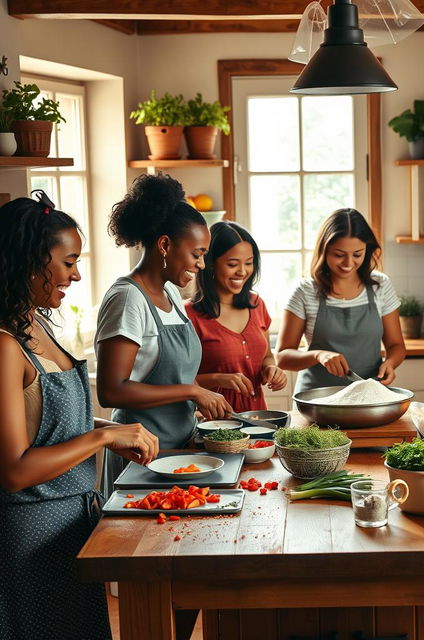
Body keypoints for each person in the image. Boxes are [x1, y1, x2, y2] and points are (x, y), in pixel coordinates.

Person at [0, 193, 158, 640]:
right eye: (69, 262)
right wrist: (104, 439)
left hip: (71, 524)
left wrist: (115, 431)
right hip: (29, 530)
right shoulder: (4, 345)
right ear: (31, 259)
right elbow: (14, 471)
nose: (77, 273)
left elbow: (47, 425)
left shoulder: (36, 325)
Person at [95, 173, 232, 495]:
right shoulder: (127, 298)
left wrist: (205, 394)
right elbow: (111, 391)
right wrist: (192, 392)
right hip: (142, 456)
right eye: (196, 254)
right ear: (165, 245)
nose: (201, 265)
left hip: (179, 450)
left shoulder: (171, 295)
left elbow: (172, 377)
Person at [276, 208, 406, 392]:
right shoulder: (305, 291)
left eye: (357, 254)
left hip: (368, 399)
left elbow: (396, 345)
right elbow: (282, 357)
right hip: (316, 400)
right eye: (339, 255)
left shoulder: (381, 285)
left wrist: (390, 363)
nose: (348, 263)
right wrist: (318, 355)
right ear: (324, 250)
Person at [185, 221, 287, 411]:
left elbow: (267, 357)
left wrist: (271, 370)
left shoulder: (257, 304)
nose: (242, 271)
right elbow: (179, 382)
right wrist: (219, 379)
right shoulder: (189, 315)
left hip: (257, 417)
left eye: (249, 263)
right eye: (233, 264)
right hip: (214, 423)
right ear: (210, 264)